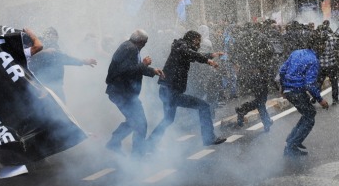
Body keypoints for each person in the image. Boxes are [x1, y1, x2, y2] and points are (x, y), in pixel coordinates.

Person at [147, 30, 226, 149]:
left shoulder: (180, 48)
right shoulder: (182, 46)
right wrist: (208, 61)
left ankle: (149, 144)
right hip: (171, 93)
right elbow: (189, 52)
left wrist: (211, 55)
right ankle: (209, 138)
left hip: (166, 91)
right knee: (204, 106)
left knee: (168, 119)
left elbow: (192, 54)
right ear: (193, 39)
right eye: (198, 42)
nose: (198, 45)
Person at [104, 29, 164, 157]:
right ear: (141, 41)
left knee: (134, 121)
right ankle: (137, 155)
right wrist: (143, 64)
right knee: (140, 123)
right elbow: (126, 71)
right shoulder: (129, 48)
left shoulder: (128, 46)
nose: (144, 45)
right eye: (145, 43)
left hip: (123, 93)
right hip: (122, 93)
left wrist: (152, 71)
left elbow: (134, 69)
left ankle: (114, 142)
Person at [279, 33, 329, 157]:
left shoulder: (296, 52)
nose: (324, 48)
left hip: (289, 90)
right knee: (310, 116)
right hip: (297, 91)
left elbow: (282, 71)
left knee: (308, 113)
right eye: (323, 45)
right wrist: (320, 100)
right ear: (319, 46)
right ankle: (292, 145)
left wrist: (283, 88)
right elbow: (310, 84)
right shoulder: (313, 60)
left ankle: (293, 139)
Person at [29, 26, 97, 102]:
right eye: (51, 35)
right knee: (57, 108)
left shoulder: (48, 47)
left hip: (49, 84)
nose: (54, 37)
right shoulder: (47, 49)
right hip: (48, 85)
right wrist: (83, 61)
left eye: (55, 35)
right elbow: (64, 58)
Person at [235, 26, 275, 131]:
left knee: (260, 99)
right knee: (261, 100)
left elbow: (234, 56)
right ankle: (245, 111)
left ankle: (244, 110)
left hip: (247, 74)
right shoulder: (261, 38)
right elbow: (271, 52)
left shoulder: (241, 39)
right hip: (259, 74)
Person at [317, 20, 339, 106]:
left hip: (321, 65)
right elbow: (336, 48)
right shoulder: (332, 38)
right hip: (331, 64)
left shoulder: (317, 38)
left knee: (319, 82)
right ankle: (335, 99)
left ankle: (315, 97)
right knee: (334, 83)